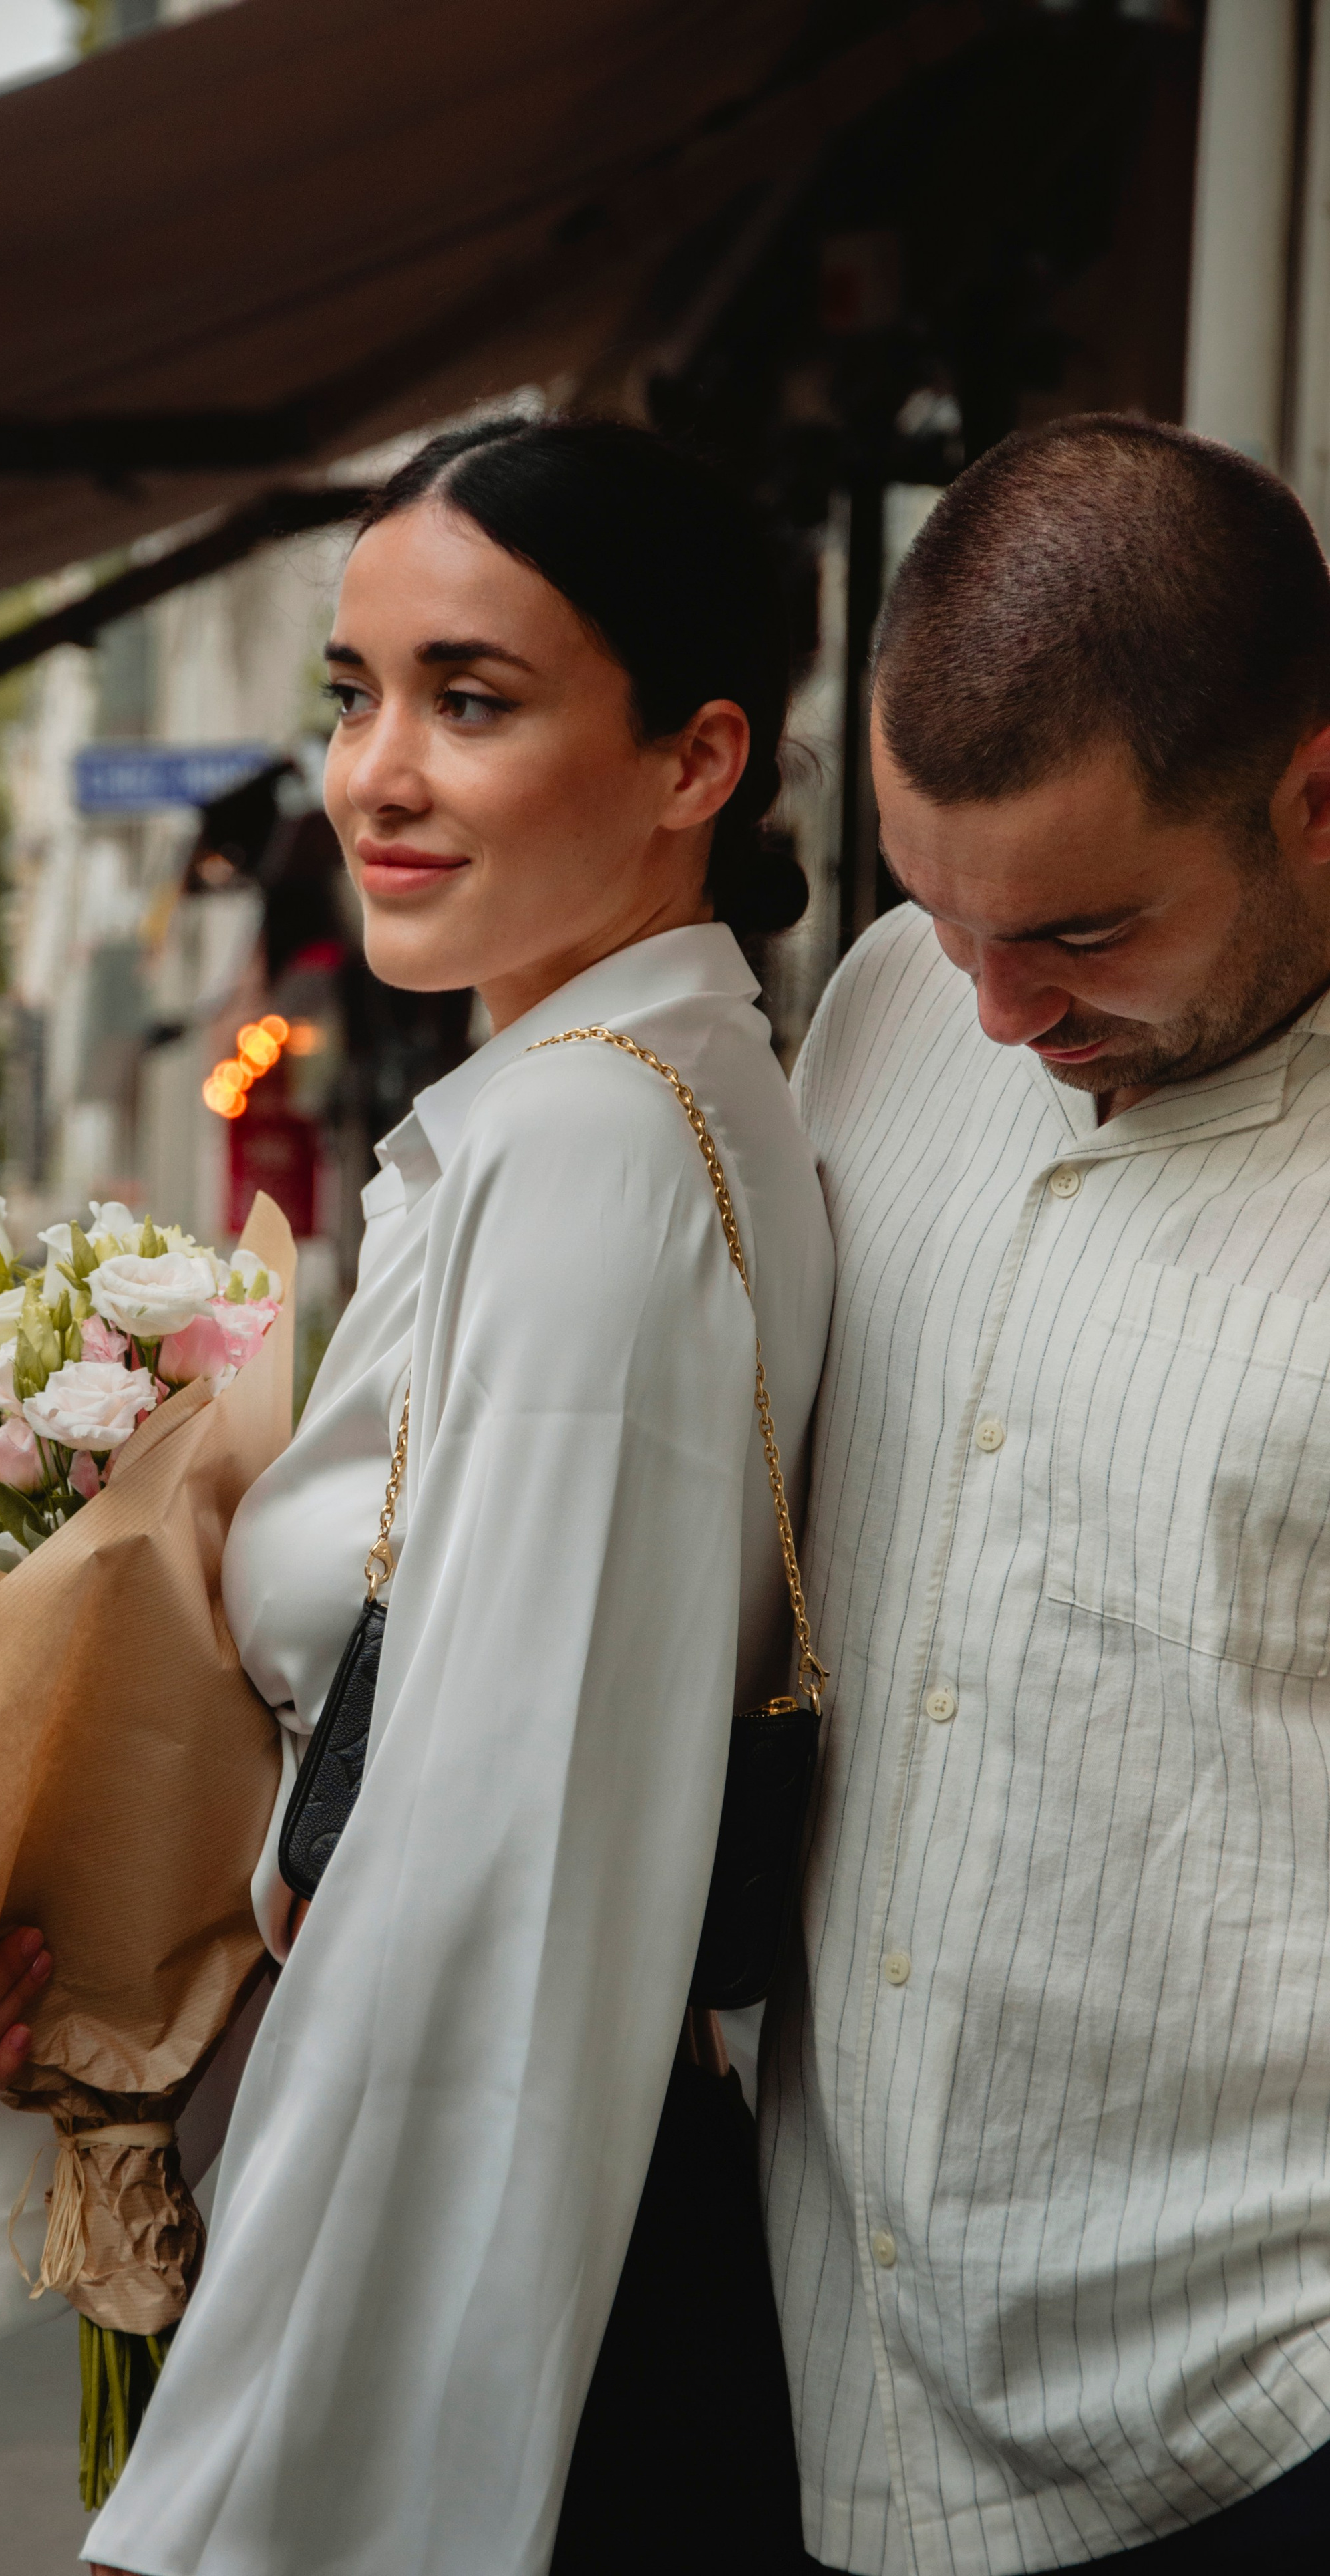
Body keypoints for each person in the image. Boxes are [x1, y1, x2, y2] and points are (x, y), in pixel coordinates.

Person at [0, 415, 833, 2571]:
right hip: (483, 2248)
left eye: (471, 700)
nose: (373, 774)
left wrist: (238, 2511)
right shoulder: (577, 1117)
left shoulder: (593, 1160)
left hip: (493, 2327)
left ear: (696, 761)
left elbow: (480, 1918)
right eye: (352, 694)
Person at [766, 414, 1330, 2575]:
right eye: (936, 908)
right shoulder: (889, 1015)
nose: (998, 1012)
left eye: (1081, 929)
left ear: (1311, 789)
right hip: (841, 2400)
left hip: (1252, 2423)